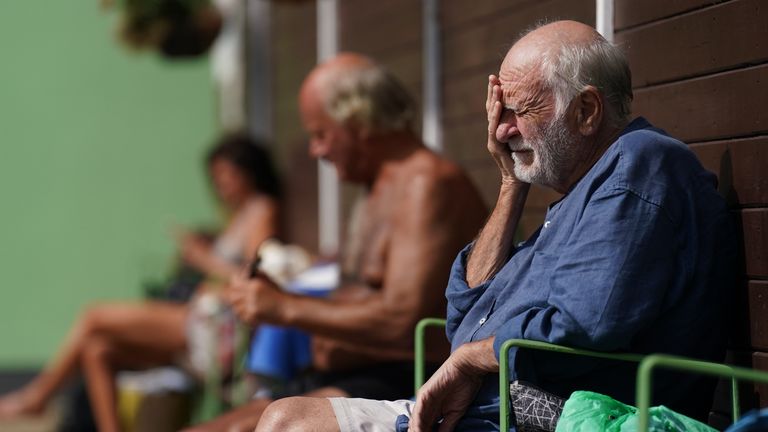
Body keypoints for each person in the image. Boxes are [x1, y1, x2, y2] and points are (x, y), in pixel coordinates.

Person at [254, 20, 737, 432]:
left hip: (548, 415)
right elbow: (466, 316)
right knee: (282, 416)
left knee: (287, 423)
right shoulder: (577, 194)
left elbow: (582, 327)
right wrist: (511, 184)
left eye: (519, 111)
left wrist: (469, 359)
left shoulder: (639, 166)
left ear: (587, 111)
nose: (502, 129)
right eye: (498, 112)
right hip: (491, 411)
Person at [183, 53, 488, 432]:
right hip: (357, 374)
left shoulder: (425, 184)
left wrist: (286, 307)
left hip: (408, 382)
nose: (316, 150)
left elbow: (401, 320)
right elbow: (361, 291)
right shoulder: (379, 187)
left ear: (358, 121)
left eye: (320, 134)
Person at [0, 134, 281, 432]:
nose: (221, 186)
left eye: (226, 176)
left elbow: (256, 276)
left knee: (94, 316)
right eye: (216, 179)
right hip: (201, 321)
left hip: (211, 328)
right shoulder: (240, 214)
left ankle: (39, 396)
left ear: (249, 171)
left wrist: (204, 259)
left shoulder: (263, 209)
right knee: (97, 350)